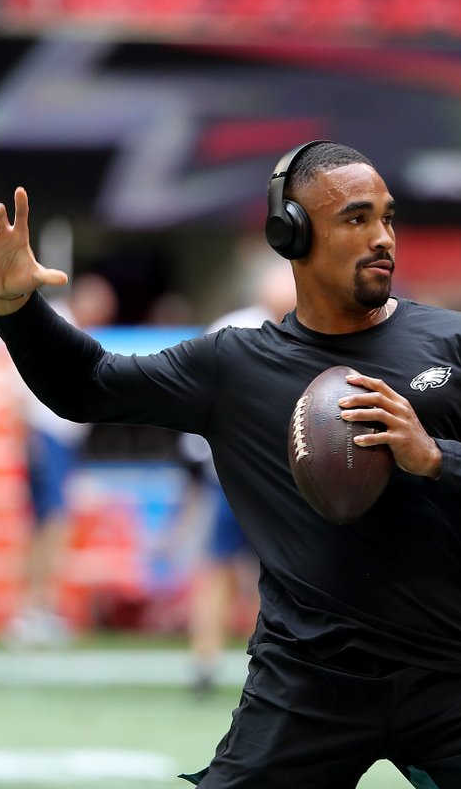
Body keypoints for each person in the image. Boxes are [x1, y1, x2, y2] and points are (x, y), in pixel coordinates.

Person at [0, 140, 461, 788]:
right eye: (356, 219)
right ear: (290, 232)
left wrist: (437, 457)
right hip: (305, 685)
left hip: (460, 674)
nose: (383, 237)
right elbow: (88, 385)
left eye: (388, 217)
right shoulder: (232, 366)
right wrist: (18, 308)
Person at [178, 259, 297, 696]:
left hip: (288, 478)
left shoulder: (316, 330)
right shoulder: (234, 330)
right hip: (233, 472)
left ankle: (277, 664)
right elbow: (200, 396)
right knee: (217, 567)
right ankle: (204, 661)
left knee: (282, 575)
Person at [5, 273, 118, 647]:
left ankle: (35, 607)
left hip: (60, 439)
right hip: (46, 435)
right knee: (52, 522)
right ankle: (34, 606)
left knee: (47, 523)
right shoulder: (56, 323)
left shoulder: (82, 332)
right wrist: (28, 436)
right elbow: (22, 379)